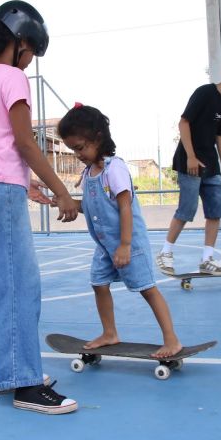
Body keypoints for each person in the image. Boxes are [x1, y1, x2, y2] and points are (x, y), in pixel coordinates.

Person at [0, 0, 79, 415]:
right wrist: (62, 191)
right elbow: (24, 142)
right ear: (19, 43)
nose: (29, 64)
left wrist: (26, 183)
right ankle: (25, 384)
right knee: (19, 285)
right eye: (30, 53)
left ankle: (6, 369)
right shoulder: (12, 77)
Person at [56, 104, 182, 359]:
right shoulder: (89, 172)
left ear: (98, 138)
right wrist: (68, 204)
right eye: (73, 150)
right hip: (105, 247)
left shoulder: (115, 169)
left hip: (129, 244)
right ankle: (110, 333)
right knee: (98, 284)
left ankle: (172, 339)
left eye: (80, 147)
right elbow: (94, 207)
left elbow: (125, 207)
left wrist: (125, 245)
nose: (77, 154)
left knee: (147, 288)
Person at [156, 58, 221, 276]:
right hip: (190, 162)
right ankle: (165, 253)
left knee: (214, 211)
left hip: (211, 166)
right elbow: (184, 122)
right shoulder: (204, 93)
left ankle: (207, 259)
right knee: (187, 209)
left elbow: (220, 136)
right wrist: (190, 156)